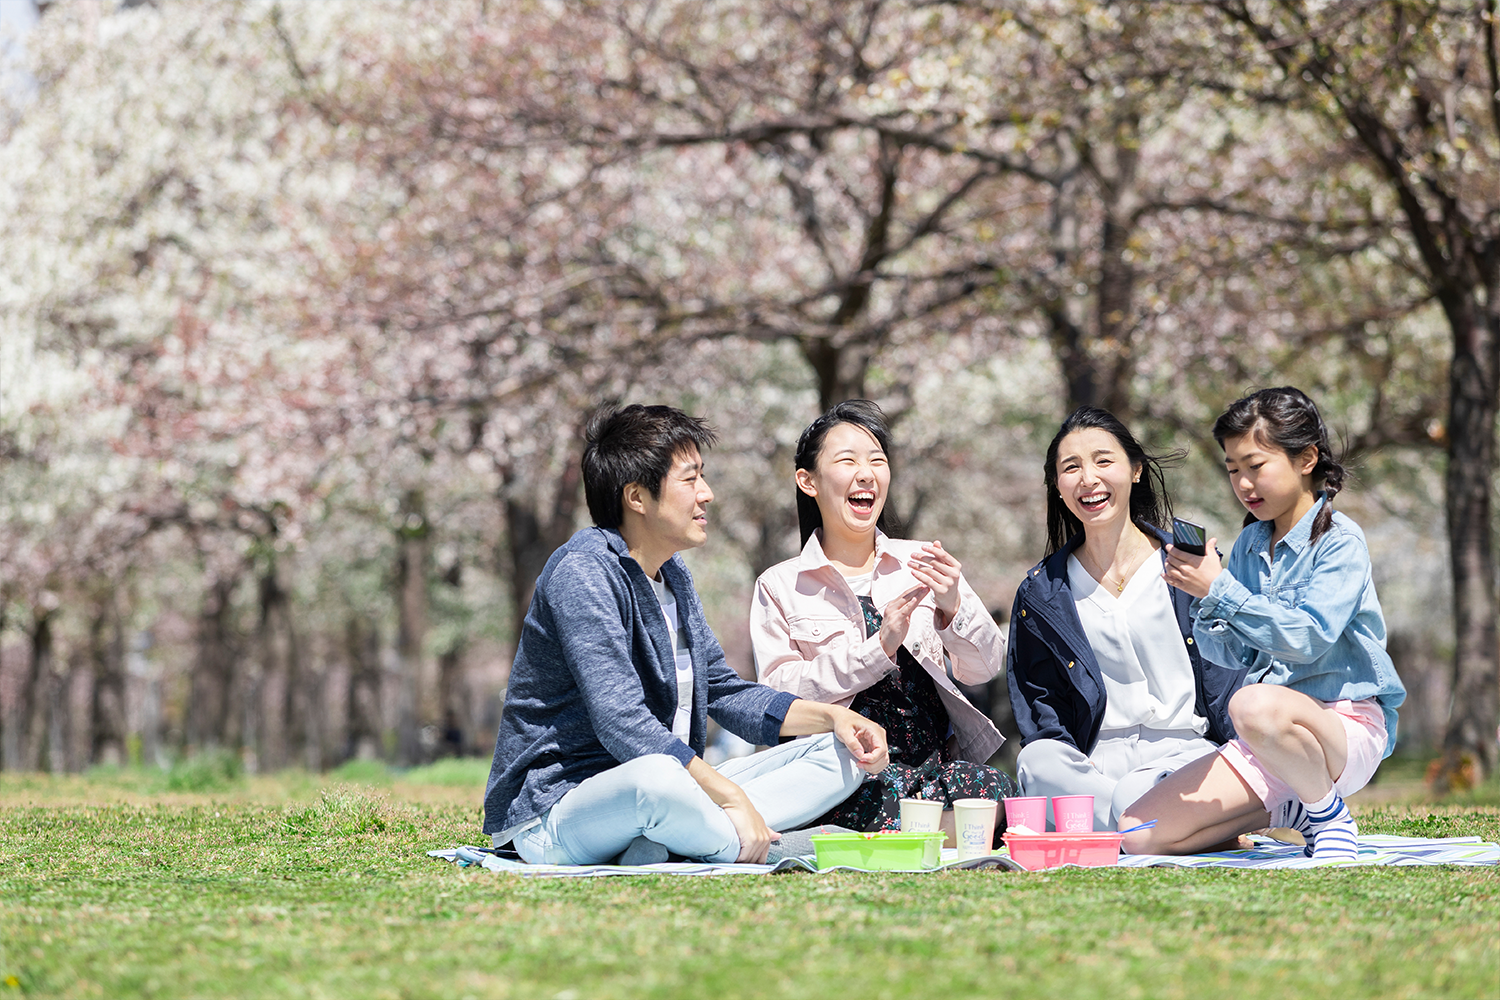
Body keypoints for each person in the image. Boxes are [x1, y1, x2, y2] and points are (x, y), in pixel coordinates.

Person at [483, 404, 889, 866]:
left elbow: (723, 690)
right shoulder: (583, 572)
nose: (708, 494)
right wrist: (730, 796)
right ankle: (759, 845)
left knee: (841, 754)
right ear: (637, 497)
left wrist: (832, 719)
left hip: (675, 792)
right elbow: (622, 722)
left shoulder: (672, 574)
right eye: (690, 479)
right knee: (656, 778)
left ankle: (683, 842)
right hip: (560, 809)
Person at [1120, 387, 1406, 860]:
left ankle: (1329, 815)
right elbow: (1231, 655)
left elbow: (1307, 639)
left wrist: (1222, 591)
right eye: (1233, 470)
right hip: (1269, 738)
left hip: (1343, 726)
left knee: (1250, 703)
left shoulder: (1340, 542)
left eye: (1255, 466)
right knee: (1140, 832)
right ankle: (1298, 809)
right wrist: (1205, 600)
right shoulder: (1251, 543)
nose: (1244, 484)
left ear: (1306, 458)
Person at [750, 400, 1014, 841]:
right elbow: (779, 696)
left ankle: (898, 837)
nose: (867, 473)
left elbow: (986, 666)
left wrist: (952, 605)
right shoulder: (779, 584)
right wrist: (880, 647)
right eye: (847, 460)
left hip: (933, 770)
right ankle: (933, 835)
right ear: (808, 481)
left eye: (877, 461)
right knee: (876, 800)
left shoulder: (922, 561)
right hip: (846, 775)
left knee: (995, 787)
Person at [1008, 407, 1249, 832]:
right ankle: (1158, 830)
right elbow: (1043, 710)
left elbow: (1232, 675)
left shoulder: (1191, 566)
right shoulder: (1041, 592)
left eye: (1104, 461)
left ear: (1136, 471)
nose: (1089, 479)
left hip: (1185, 755)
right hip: (1093, 765)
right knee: (1036, 761)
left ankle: (1116, 826)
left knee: (1140, 791)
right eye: (1071, 468)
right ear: (1057, 486)